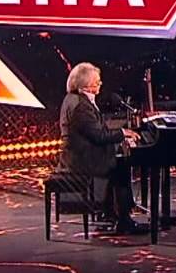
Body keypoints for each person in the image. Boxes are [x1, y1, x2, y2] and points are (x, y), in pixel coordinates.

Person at [58, 62, 147, 234]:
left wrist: (118, 134)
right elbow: (98, 136)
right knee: (121, 167)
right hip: (81, 159)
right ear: (86, 85)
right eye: (97, 82)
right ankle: (124, 221)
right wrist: (122, 133)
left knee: (117, 161)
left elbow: (96, 130)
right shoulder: (81, 106)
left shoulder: (78, 99)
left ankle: (110, 213)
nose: (100, 84)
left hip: (80, 153)